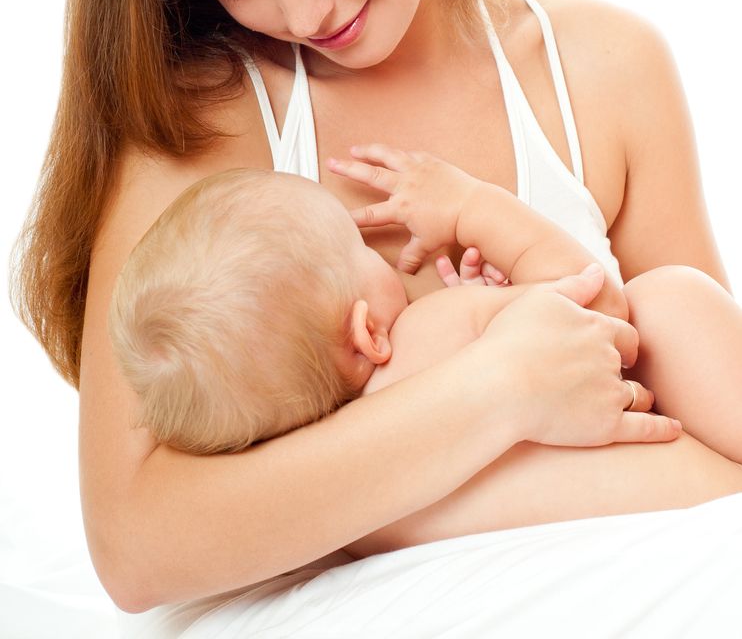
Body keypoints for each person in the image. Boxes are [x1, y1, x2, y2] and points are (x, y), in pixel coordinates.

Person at [10, 0, 739, 614]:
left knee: (681, 301)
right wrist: (496, 393)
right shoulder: (204, 118)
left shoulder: (603, 68)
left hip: (659, 529)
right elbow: (137, 548)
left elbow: (690, 397)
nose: (302, 10)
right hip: (511, 547)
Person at [107, 149, 742, 556]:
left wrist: (495, 311)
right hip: (702, 487)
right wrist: (477, 210)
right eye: (361, 255)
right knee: (667, 298)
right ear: (367, 334)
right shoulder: (425, 330)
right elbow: (602, 314)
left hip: (654, 530)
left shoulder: (350, 515)